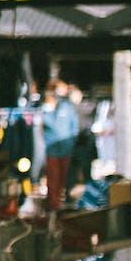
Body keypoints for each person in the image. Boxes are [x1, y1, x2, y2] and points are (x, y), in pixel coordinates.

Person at [41, 78, 80, 220]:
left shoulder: (67, 106)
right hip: (51, 149)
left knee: (64, 178)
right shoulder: (45, 108)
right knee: (53, 178)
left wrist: (72, 142)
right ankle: (53, 206)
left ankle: (60, 203)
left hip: (66, 149)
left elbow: (74, 125)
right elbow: (43, 127)